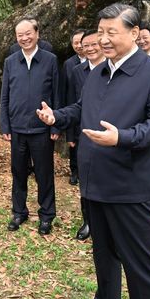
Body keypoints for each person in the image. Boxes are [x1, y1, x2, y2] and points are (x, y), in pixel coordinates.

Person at [37, 3, 150, 299]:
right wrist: (57, 116)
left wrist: (123, 138)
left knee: (143, 265)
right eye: (101, 31)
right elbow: (83, 108)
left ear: (134, 33)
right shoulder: (98, 73)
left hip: (132, 187)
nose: (103, 38)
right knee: (104, 255)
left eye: (112, 31)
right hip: (95, 184)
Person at [0, 18, 59, 234]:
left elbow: (56, 95)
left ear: (37, 33)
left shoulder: (50, 60)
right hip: (17, 129)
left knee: (44, 173)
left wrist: (55, 126)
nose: (24, 38)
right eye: (20, 35)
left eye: (28, 33)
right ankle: (19, 212)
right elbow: (5, 96)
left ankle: (46, 215)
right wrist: (5, 125)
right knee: (18, 172)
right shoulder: (11, 61)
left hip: (41, 128)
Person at [65, 29, 105, 241]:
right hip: (84, 134)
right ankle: (88, 221)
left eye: (93, 44)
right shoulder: (77, 71)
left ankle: (106, 223)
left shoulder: (113, 70)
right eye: (85, 45)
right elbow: (73, 104)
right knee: (86, 182)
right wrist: (70, 135)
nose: (89, 49)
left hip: (110, 136)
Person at [62, 28, 87, 185]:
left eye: (81, 42)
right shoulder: (69, 64)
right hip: (74, 107)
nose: (78, 45)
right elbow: (65, 89)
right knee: (74, 142)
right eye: (75, 43)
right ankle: (75, 171)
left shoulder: (101, 60)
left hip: (92, 109)